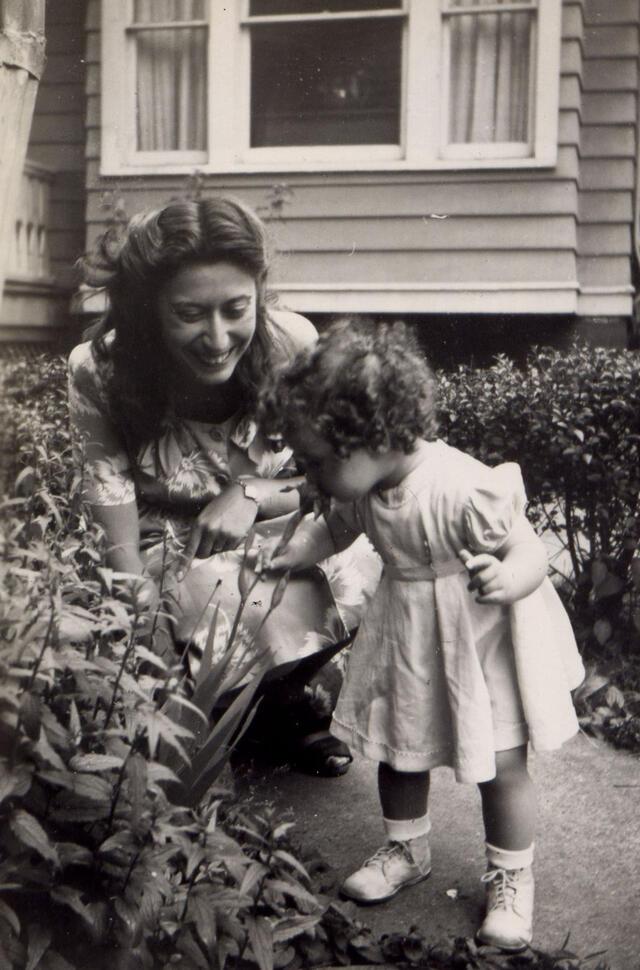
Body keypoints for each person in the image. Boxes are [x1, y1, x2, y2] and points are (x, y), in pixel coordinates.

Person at [255, 318, 585, 953]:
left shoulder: (462, 486)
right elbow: (336, 529)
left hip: (482, 641)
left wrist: (508, 576)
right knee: (398, 746)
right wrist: (297, 551)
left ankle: (512, 877)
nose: (309, 475)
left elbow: (531, 552)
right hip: (407, 634)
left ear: (371, 437)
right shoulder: (364, 485)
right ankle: (406, 847)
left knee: (502, 761)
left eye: (318, 461)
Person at [67, 197, 380, 777]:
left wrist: (254, 491)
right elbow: (112, 503)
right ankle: (215, 719)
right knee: (213, 597)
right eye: (189, 313)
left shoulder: (291, 344)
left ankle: (281, 706)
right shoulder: (99, 369)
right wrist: (138, 621)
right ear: (147, 309)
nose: (217, 337)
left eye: (236, 309)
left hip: (277, 522)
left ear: (259, 293)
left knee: (373, 555)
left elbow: (338, 478)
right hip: (170, 547)